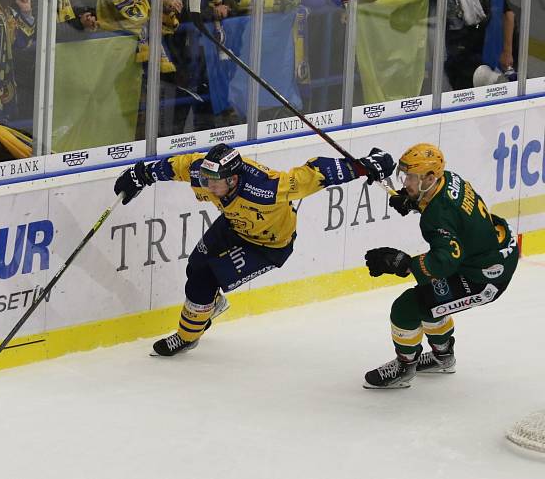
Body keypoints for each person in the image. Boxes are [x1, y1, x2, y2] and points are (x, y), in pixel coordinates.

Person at [114, 143, 396, 356]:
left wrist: (363, 166)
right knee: (196, 264)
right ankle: (212, 305)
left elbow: (316, 173)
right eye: (206, 180)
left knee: (203, 280)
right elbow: (177, 166)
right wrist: (141, 175)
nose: (208, 187)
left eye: (215, 182)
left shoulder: (268, 187)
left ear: (234, 179)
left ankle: (188, 336)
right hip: (233, 227)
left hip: (267, 246)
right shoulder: (206, 174)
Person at [362, 144, 518, 389]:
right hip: (489, 255)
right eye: (405, 176)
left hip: (484, 278)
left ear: (430, 178)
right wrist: (413, 202)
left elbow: (444, 261)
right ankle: (442, 357)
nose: (405, 182)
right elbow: (453, 218)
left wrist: (403, 264)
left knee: (406, 307)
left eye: (411, 177)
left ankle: (405, 367)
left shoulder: (437, 215)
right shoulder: (449, 179)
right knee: (430, 300)